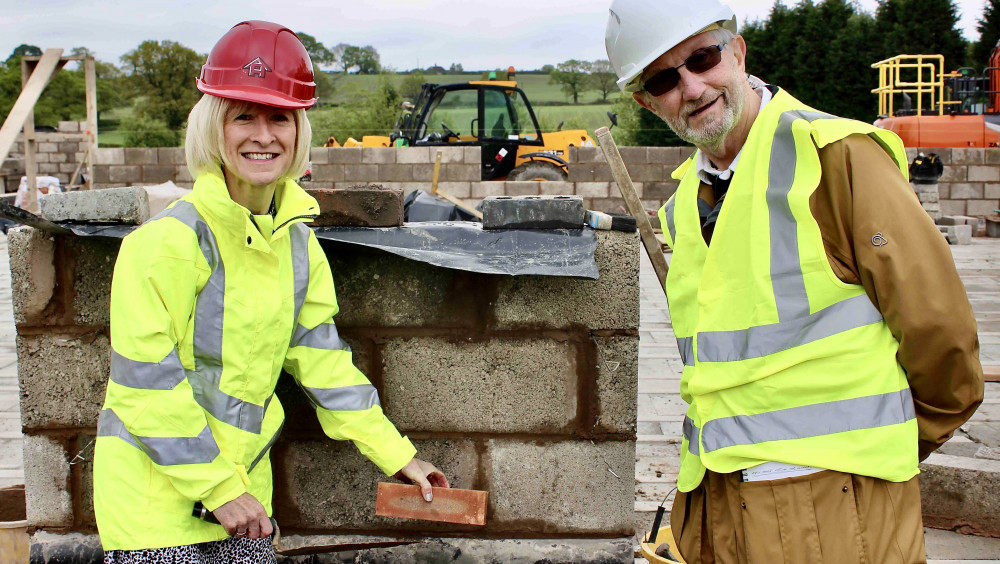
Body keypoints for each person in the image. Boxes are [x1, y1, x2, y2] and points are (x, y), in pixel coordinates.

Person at [604, 1, 984, 562]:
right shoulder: (686, 202)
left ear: (737, 50)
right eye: (664, 78)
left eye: (702, 58)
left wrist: (887, 440)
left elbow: (942, 335)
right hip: (718, 496)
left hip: (832, 502)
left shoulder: (835, 157)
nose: (691, 87)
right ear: (645, 101)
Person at [93, 21, 448, 562]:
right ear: (215, 127)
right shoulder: (165, 244)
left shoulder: (299, 248)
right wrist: (218, 490)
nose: (263, 135)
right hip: (156, 514)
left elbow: (325, 365)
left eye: (279, 117)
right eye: (244, 117)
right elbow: (146, 388)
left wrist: (399, 456)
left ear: (299, 131)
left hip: (243, 509)